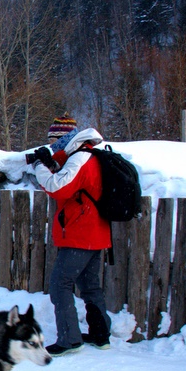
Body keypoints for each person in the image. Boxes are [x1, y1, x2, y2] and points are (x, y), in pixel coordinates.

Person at [31, 115, 112, 356]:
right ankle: (100, 335)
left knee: (60, 285)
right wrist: (53, 165)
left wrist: (39, 167)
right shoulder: (88, 156)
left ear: (66, 138)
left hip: (80, 234)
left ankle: (69, 340)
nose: (52, 144)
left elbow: (59, 188)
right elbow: (75, 186)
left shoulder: (80, 158)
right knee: (90, 286)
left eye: (54, 139)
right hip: (94, 232)